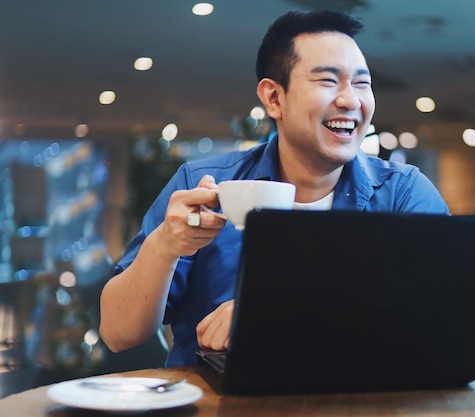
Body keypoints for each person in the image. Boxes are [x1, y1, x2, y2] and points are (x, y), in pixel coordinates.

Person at [99, 10, 449, 367]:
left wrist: (274, 312)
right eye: (328, 81)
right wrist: (165, 245)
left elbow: (442, 320)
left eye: (362, 83)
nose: (350, 100)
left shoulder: (403, 194)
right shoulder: (204, 185)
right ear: (274, 99)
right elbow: (118, 333)